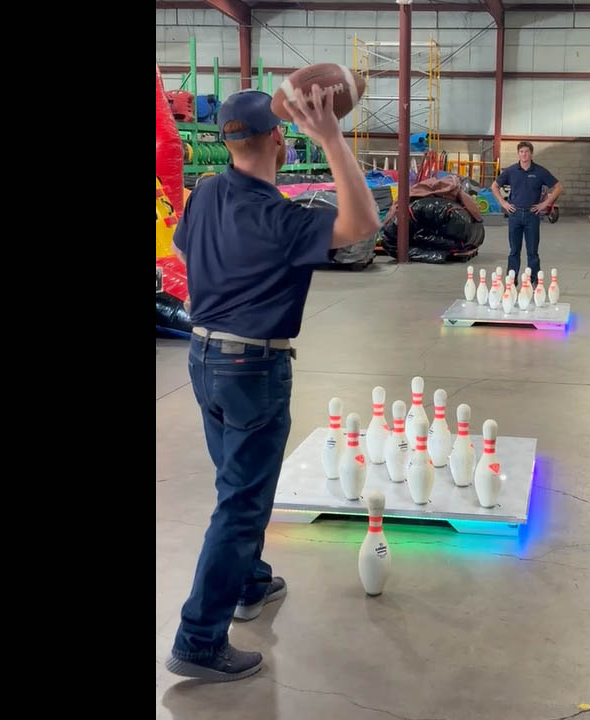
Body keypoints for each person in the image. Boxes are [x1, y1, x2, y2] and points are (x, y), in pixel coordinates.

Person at [165, 86, 380, 682]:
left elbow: (183, 251)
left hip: (203, 358)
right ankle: (198, 641)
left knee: (237, 483)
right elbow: (365, 223)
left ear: (228, 140)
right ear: (279, 140)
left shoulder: (206, 192)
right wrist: (331, 138)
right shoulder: (282, 217)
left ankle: (250, 582)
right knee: (241, 503)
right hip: (252, 370)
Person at [490, 141, 563, 284]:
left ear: (531, 154)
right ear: (518, 154)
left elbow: (558, 187)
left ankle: (534, 282)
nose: (524, 154)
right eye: (521, 151)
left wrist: (545, 204)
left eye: (527, 151)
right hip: (515, 215)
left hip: (532, 215)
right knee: (514, 251)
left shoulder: (539, 171)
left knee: (532, 252)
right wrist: (503, 203)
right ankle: (511, 281)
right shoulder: (511, 171)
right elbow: (494, 186)